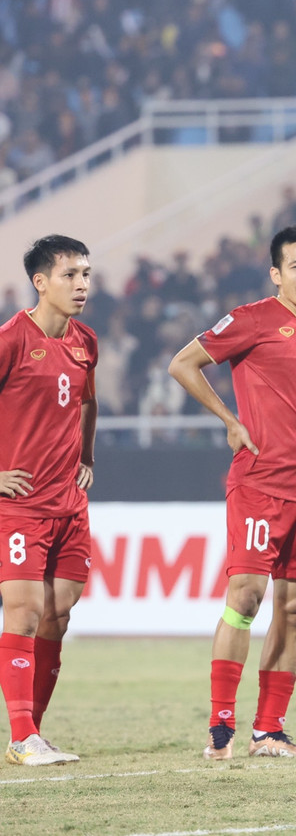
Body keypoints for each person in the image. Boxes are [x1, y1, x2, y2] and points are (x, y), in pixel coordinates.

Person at [168, 225, 296, 761]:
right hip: (259, 487)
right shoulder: (252, 319)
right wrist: (229, 420)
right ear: (276, 274)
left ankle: (269, 731)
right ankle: (221, 728)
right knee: (246, 597)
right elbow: (182, 363)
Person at [0, 235, 97, 766]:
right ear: (40, 282)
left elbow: (89, 402)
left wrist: (88, 459)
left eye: (86, 274)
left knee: (59, 612)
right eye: (69, 275)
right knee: (24, 611)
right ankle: (21, 737)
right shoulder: (13, 339)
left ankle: (32, 732)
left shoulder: (85, 341)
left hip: (69, 503)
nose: (81, 284)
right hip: (20, 505)